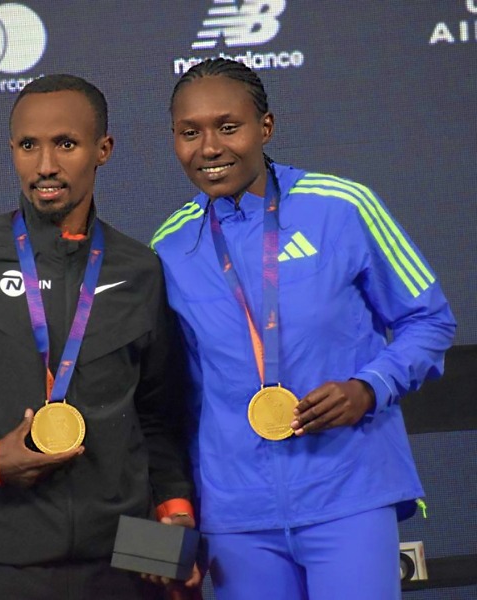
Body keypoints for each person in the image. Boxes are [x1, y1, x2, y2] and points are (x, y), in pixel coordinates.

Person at [0, 74, 196, 600]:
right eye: (29, 146)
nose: (45, 165)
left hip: (125, 563)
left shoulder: (139, 269)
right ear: (12, 151)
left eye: (65, 144)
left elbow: (158, 417)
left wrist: (175, 517)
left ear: (103, 150)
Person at [151, 58, 456, 600]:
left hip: (347, 491)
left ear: (265, 127)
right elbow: (172, 401)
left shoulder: (342, 206)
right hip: (235, 515)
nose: (209, 147)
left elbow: (428, 320)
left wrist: (371, 387)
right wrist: (176, 521)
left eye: (228, 126)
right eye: (189, 132)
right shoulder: (169, 247)